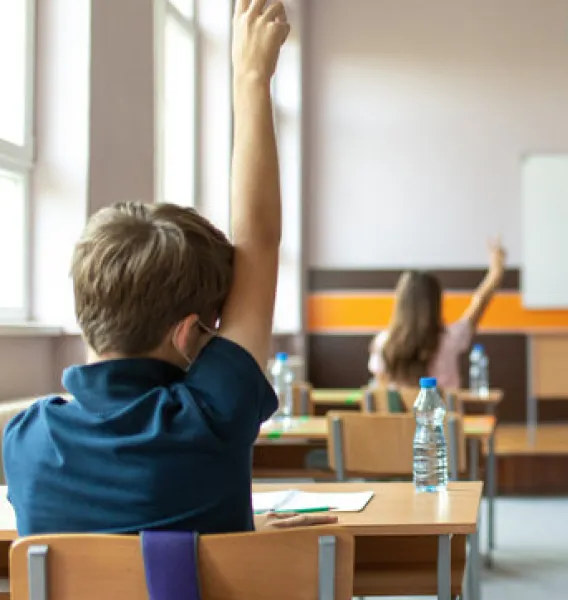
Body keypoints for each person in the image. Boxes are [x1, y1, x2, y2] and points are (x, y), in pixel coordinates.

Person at [3, 0, 333, 536]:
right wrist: (251, 78)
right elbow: (260, 242)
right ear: (186, 332)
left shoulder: (26, 440)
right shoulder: (211, 416)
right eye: (210, 329)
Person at [368, 239, 506, 389]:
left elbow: (380, 394)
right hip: (446, 413)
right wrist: (496, 272)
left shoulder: (383, 343)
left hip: (400, 413)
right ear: (436, 304)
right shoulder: (449, 339)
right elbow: (480, 302)